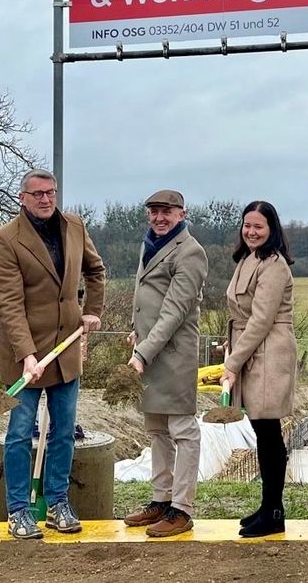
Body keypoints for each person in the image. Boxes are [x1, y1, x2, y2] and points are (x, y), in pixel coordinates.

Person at [0, 169, 105, 540]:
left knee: (63, 432)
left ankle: (57, 502)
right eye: (37, 194)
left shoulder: (74, 226)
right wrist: (26, 354)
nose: (45, 199)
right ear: (22, 198)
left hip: (66, 350)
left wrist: (93, 311)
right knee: (20, 433)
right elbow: (9, 304)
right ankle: (19, 510)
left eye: (50, 192)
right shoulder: (6, 239)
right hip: (25, 356)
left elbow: (96, 270)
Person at [123, 190, 208, 537]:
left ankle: (182, 508)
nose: (159, 218)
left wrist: (143, 353)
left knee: (183, 432)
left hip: (172, 356)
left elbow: (174, 312)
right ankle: (161, 499)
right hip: (147, 351)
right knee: (156, 430)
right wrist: (135, 332)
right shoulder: (150, 244)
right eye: (154, 212)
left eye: (166, 212)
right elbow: (143, 295)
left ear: (182, 213)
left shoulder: (191, 252)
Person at [222, 201, 297, 537]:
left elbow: (262, 319)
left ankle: (274, 511)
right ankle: (268, 506)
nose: (251, 232)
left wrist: (233, 363)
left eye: (259, 227)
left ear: (272, 230)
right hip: (253, 350)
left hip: (269, 353)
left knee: (268, 433)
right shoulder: (248, 259)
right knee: (262, 431)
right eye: (247, 225)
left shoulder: (274, 265)